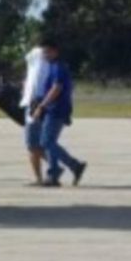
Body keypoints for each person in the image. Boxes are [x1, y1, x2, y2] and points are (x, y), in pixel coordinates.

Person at [32, 39, 86, 187]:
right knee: (50, 142)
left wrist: (42, 106)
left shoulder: (58, 67)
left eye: (47, 51)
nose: (45, 54)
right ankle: (54, 174)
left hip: (56, 109)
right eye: (43, 52)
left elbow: (56, 89)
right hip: (52, 108)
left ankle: (75, 165)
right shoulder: (52, 66)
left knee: (46, 142)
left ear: (55, 51)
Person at [20, 46, 50, 186]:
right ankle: (62, 166)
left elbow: (35, 81)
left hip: (34, 103)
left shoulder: (38, 56)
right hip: (36, 102)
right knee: (38, 144)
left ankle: (40, 178)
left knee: (32, 144)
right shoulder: (44, 60)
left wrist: (32, 101)